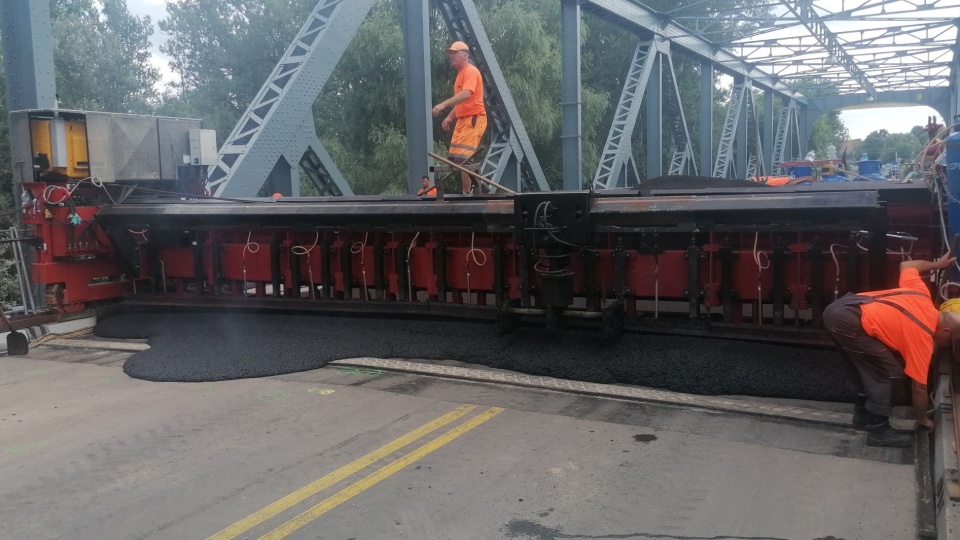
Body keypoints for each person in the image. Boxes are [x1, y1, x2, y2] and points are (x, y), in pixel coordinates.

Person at [822, 251, 960, 447]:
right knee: (889, 373)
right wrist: (922, 418)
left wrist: (938, 265)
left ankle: (862, 415)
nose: (948, 343)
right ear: (946, 330)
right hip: (849, 320)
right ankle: (879, 430)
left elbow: (907, 265)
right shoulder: (922, 337)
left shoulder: (921, 294)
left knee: (866, 366)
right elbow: (919, 388)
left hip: (840, 308)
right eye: (953, 338)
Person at [432, 41, 486, 195]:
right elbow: (461, 101)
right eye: (451, 54)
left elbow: (466, 94)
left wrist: (443, 105)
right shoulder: (461, 75)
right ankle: (476, 187)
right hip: (463, 120)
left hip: (474, 119)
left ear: (465, 55)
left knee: (464, 159)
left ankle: (467, 194)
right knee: (456, 159)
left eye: (455, 53)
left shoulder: (470, 71)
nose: (452, 56)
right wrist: (450, 117)